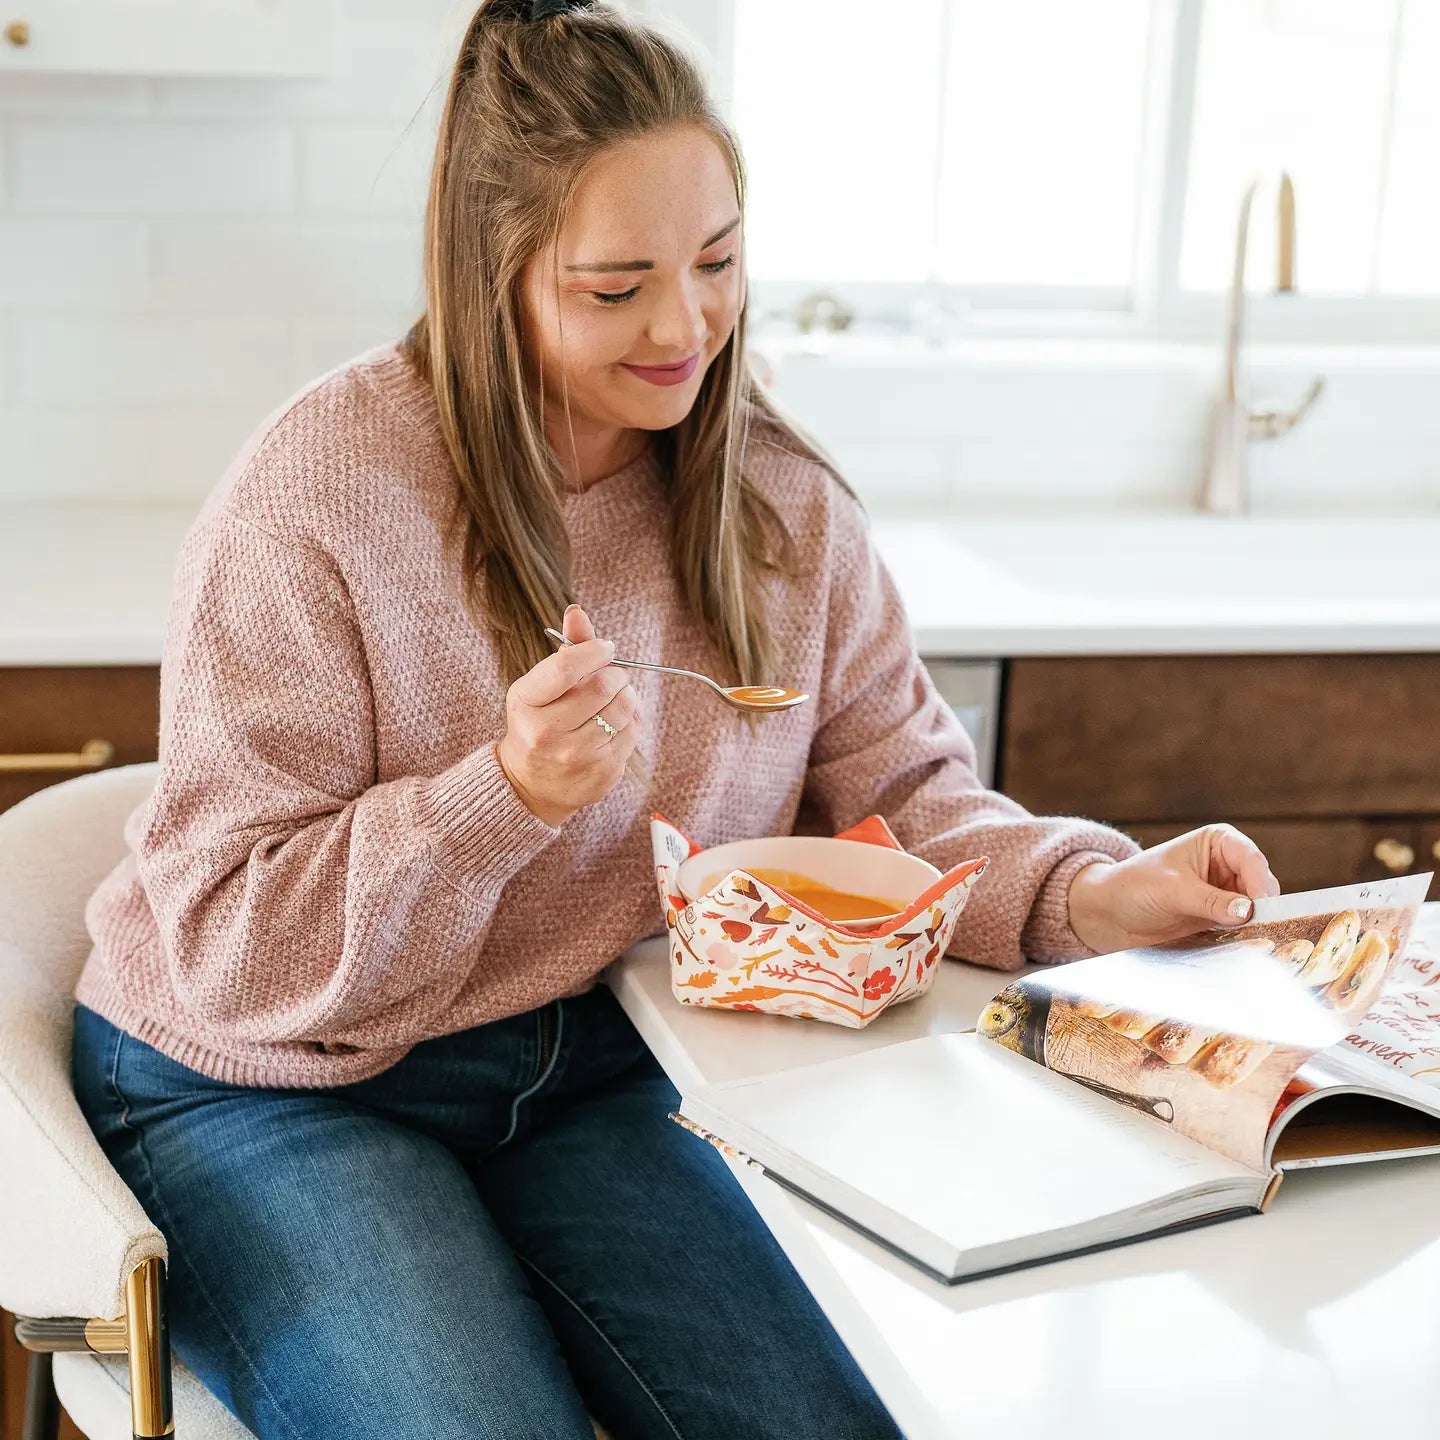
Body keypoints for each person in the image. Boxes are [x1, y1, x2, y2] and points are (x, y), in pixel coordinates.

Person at [70, 2, 1280, 1435]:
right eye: (616, 286)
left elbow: (900, 794)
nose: (685, 325)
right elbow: (227, 942)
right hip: (275, 1083)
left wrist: (1091, 890)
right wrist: (497, 798)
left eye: (716, 263)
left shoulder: (775, 501)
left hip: (592, 1060)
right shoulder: (319, 498)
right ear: (495, 273)